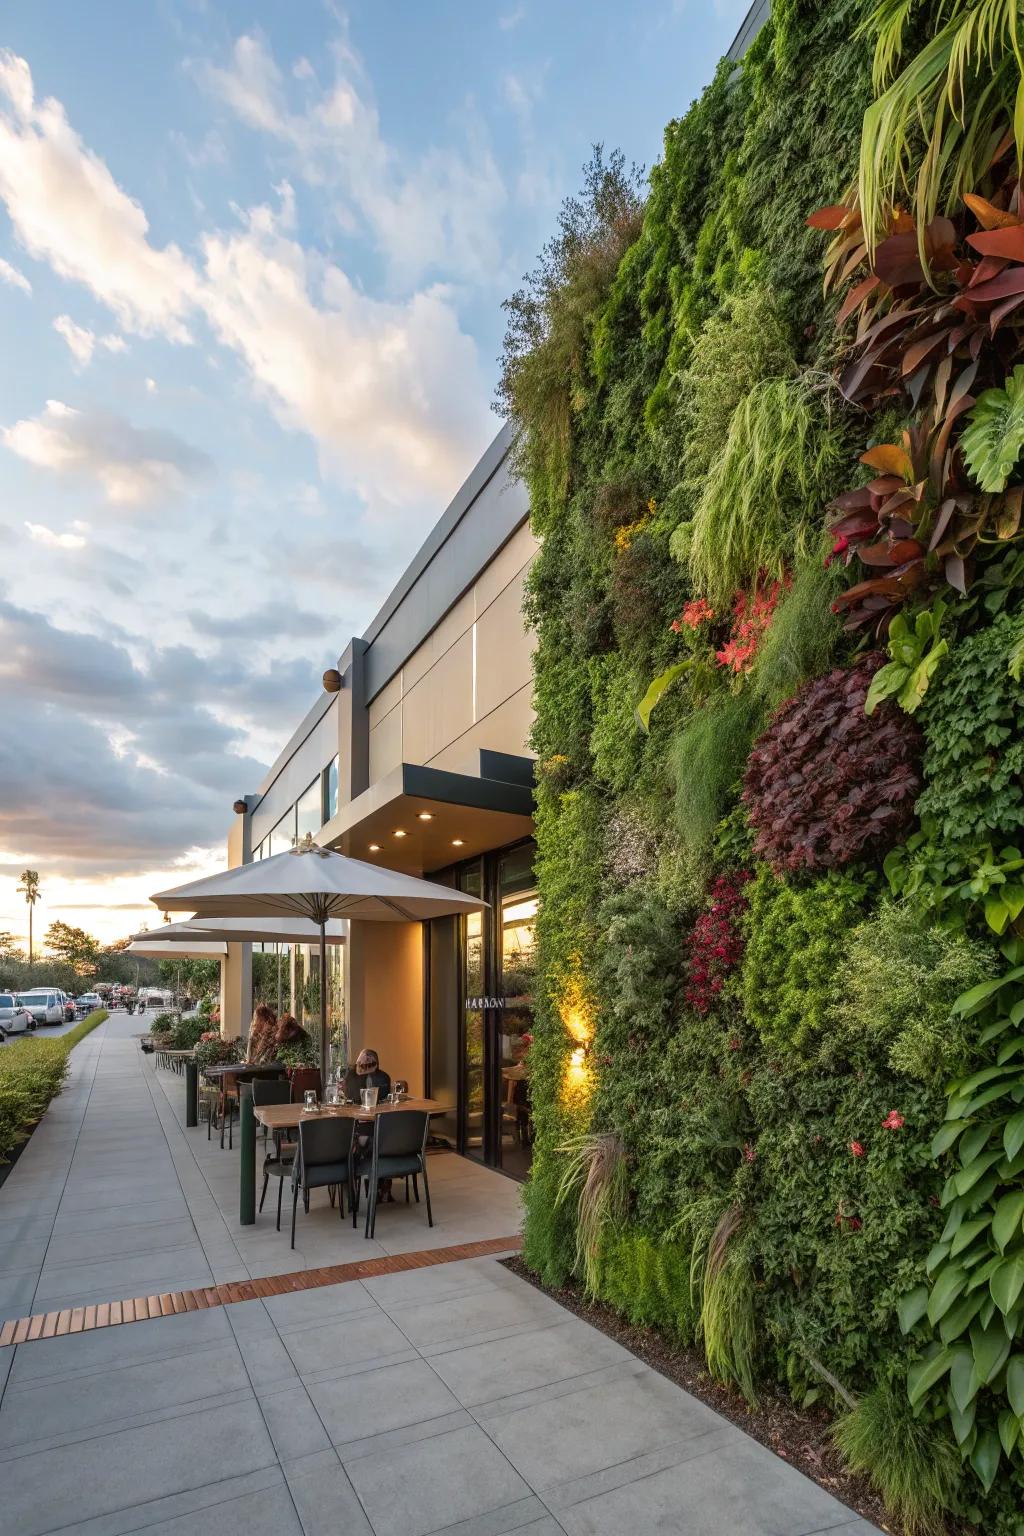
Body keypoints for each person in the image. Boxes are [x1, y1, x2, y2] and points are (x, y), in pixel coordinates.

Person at [344, 1048, 394, 1201]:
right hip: (373, 1126)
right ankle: (378, 1187)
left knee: (363, 1141)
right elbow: (354, 1093)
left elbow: (354, 1093)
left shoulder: (380, 1077)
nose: (362, 1065)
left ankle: (363, 1187)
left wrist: (362, 1069)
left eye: (366, 1063)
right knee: (372, 1141)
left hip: (370, 1126)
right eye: (360, 1062)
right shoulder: (354, 1075)